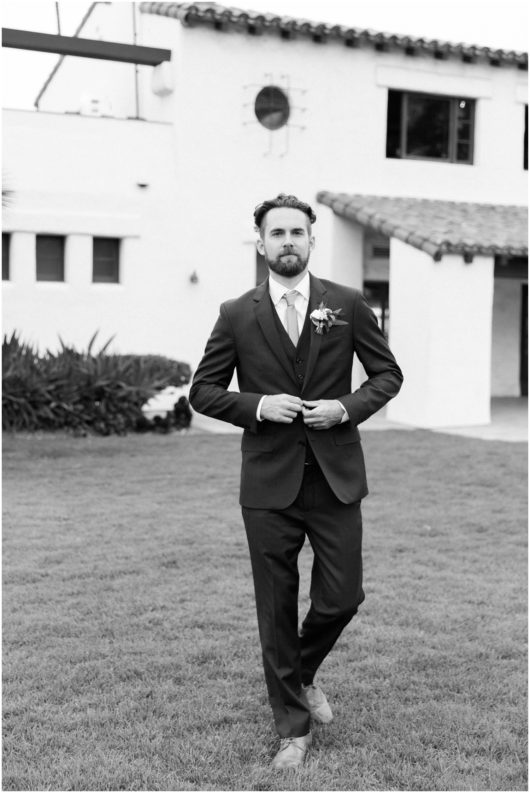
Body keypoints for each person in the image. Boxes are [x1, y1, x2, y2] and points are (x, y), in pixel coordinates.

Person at [189, 193, 403, 769]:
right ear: (260, 243)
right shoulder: (236, 313)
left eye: (297, 233)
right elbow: (203, 391)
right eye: (276, 233)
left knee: (342, 596)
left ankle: (302, 673)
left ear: (311, 241)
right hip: (268, 483)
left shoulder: (348, 304)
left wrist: (346, 408)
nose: (288, 241)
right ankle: (293, 729)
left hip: (335, 477)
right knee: (275, 607)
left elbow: (387, 375)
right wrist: (259, 406)